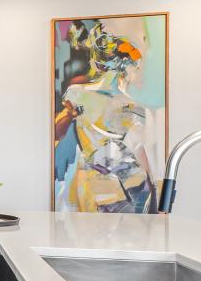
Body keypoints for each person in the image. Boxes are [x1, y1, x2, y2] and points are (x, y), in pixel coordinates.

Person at [54, 19, 157, 213]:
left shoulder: (76, 93)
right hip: (126, 187)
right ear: (126, 67)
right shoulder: (132, 107)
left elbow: (59, 134)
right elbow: (141, 158)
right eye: (135, 67)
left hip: (95, 183)